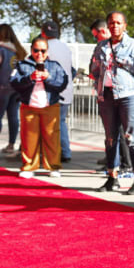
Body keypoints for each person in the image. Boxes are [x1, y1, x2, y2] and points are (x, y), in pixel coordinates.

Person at [90, 11, 134, 195]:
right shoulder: (101, 46)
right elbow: (94, 69)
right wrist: (98, 87)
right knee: (110, 138)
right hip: (107, 97)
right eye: (111, 23)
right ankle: (112, 177)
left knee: (131, 138)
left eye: (118, 23)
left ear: (125, 26)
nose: (114, 26)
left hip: (128, 96)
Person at [10, 37, 68, 178]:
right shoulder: (22, 65)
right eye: (36, 50)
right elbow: (14, 83)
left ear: (47, 52)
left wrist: (48, 78)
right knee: (29, 139)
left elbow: (62, 83)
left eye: (43, 50)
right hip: (29, 106)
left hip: (50, 106)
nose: (39, 54)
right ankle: (29, 167)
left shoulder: (55, 65)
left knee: (52, 138)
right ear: (31, 50)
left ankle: (53, 166)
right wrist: (30, 78)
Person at [0, 24, 27, 154]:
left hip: (0, 86)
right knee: (13, 116)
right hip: (16, 87)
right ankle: (11, 144)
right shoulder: (19, 50)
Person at [40, 20, 75, 162]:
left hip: (51, 89)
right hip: (66, 89)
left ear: (43, 33)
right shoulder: (65, 47)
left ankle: (51, 152)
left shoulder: (44, 47)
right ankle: (65, 151)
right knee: (60, 122)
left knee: (48, 123)